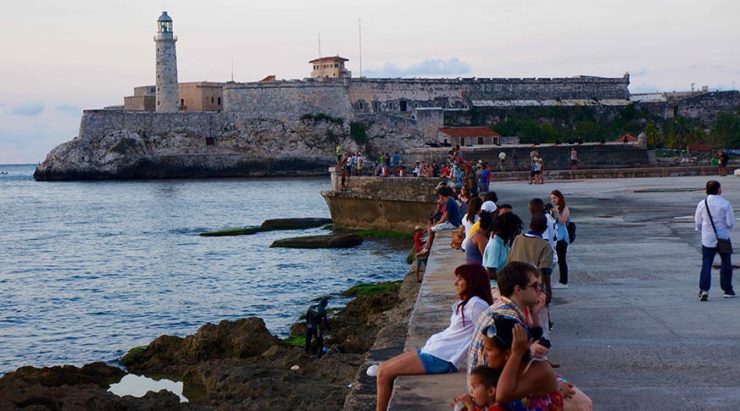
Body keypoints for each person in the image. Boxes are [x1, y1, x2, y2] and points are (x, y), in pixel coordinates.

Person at [375, 264, 494, 411]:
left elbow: (486, 336)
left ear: (473, 281)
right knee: (383, 369)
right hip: (433, 350)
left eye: (461, 278)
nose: (456, 283)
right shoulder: (467, 303)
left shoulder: (477, 304)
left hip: (442, 358)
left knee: (383, 373)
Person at [467, 261, 547, 384]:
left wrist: (535, 315)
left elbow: (531, 341)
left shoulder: (502, 307)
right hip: (490, 389)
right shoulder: (507, 319)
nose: (539, 291)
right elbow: (518, 362)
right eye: (535, 286)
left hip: (485, 385)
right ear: (518, 289)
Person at [481, 314, 562, 409]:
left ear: (507, 354)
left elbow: (502, 395)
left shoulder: (538, 369)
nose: (483, 353)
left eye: (488, 349)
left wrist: (516, 354)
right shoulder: (502, 368)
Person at [695, 180, 736, 301]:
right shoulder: (725, 203)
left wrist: (703, 230)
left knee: (706, 264)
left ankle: (704, 289)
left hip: (707, 239)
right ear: (718, 189)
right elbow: (730, 223)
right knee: (726, 263)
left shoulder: (702, 203)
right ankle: (727, 289)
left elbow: (698, 222)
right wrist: (727, 230)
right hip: (723, 238)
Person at [483, 212, 524, 280]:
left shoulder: (504, 242)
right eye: (513, 230)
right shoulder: (495, 245)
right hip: (494, 286)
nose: (514, 233)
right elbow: (490, 273)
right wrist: (511, 277)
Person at [422, 186, 462, 252]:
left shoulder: (449, 203)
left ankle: (427, 246)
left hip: (452, 224)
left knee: (431, 230)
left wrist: (436, 224)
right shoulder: (450, 200)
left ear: (441, 195)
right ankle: (428, 244)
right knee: (432, 227)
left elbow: (444, 219)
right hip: (454, 222)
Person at [549, 190, 571, 289]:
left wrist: (557, 212)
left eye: (555, 198)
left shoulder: (565, 208)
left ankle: (564, 282)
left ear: (559, 198)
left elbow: (562, 221)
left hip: (562, 237)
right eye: (551, 198)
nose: (553, 200)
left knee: (561, 260)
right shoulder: (552, 209)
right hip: (554, 237)